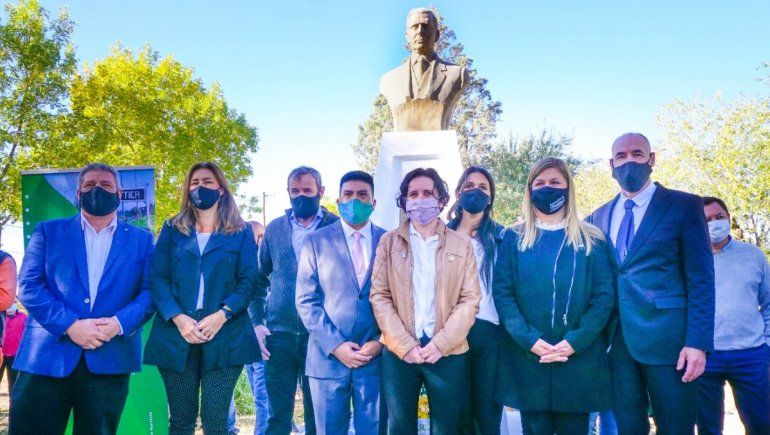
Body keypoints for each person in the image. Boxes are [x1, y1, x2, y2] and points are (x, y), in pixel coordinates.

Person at [11, 163, 155, 435]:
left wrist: (118, 324)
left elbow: (150, 293)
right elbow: (29, 285)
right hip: (46, 357)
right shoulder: (48, 231)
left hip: (109, 358)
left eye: (106, 185)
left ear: (119, 194)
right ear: (78, 194)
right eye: (89, 186)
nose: (97, 190)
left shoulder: (143, 240)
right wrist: (70, 325)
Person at [586, 133, 715, 434]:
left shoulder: (684, 206)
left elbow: (701, 280)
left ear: (651, 159)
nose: (629, 161)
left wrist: (697, 343)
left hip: (670, 343)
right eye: (621, 156)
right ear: (611, 164)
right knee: (628, 427)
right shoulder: (598, 216)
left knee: (676, 426)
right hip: (617, 344)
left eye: (637, 154)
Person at [493, 157, 615, 434]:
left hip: (577, 360)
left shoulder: (592, 238)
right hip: (530, 359)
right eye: (540, 183)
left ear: (568, 188)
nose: (548, 188)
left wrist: (574, 341)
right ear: (529, 189)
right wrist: (529, 339)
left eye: (555, 182)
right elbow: (503, 294)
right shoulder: (512, 238)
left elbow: (603, 297)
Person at [144, 162, 261, 435]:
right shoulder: (172, 229)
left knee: (216, 420)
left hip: (226, 333)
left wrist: (223, 314)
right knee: (181, 421)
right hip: (177, 333)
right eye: (194, 182)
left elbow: (249, 280)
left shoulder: (241, 231)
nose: (200, 187)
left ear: (220, 189)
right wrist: (178, 318)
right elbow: (157, 278)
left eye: (207, 182)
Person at [370, 167, 481, 434]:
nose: (420, 200)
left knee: (448, 426)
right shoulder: (388, 242)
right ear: (405, 201)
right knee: (399, 426)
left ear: (441, 200)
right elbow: (379, 295)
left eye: (427, 193)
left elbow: (470, 299)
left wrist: (441, 344)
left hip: (448, 351)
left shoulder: (461, 244)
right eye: (413, 194)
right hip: (400, 352)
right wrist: (404, 344)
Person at [296, 170, 387, 434]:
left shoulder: (390, 241)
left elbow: (401, 299)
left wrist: (382, 342)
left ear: (373, 202)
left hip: (374, 360)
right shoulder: (316, 241)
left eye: (362, 195)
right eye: (348, 194)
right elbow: (306, 300)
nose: (354, 200)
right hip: (327, 360)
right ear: (338, 200)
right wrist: (335, 345)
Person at [251, 166, 339, 435]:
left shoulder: (335, 226)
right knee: (277, 416)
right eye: (295, 191)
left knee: (317, 416)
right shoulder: (276, 229)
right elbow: (258, 280)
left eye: (307, 191)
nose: (300, 196)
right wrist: (257, 323)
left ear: (321, 192)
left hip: (321, 336)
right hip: (280, 336)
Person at [696, 197, 770, 435]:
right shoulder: (690, 259)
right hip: (705, 356)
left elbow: (768, 302)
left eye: (719, 217)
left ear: (728, 218)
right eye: (707, 219)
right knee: (708, 427)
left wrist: (767, 344)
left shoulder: (754, 255)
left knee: (761, 424)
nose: (715, 223)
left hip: (751, 354)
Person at [446, 166, 504, 435]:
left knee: (486, 411)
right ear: (458, 193)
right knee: (456, 410)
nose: (476, 191)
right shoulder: (441, 236)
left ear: (490, 197)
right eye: (469, 186)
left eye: (483, 187)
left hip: (488, 331)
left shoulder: (503, 237)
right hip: (451, 332)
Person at [1, 302, 27, 396]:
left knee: (14, 383)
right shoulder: (1, 317)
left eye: (13, 302)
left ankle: (13, 408)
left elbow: (27, 336)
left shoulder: (24, 317)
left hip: (15, 356)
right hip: (0, 354)